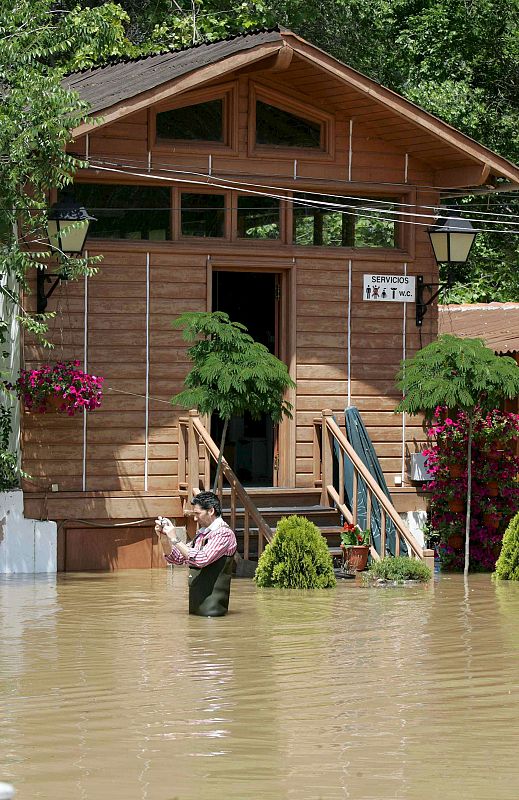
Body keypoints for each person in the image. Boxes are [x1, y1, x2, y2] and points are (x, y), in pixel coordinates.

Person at [155, 490, 237, 617]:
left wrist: (174, 538)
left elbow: (201, 559)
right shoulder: (202, 534)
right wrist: (164, 538)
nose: (194, 518)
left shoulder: (223, 533)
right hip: (197, 611)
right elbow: (176, 559)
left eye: (197, 513)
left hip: (213, 612)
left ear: (211, 511)